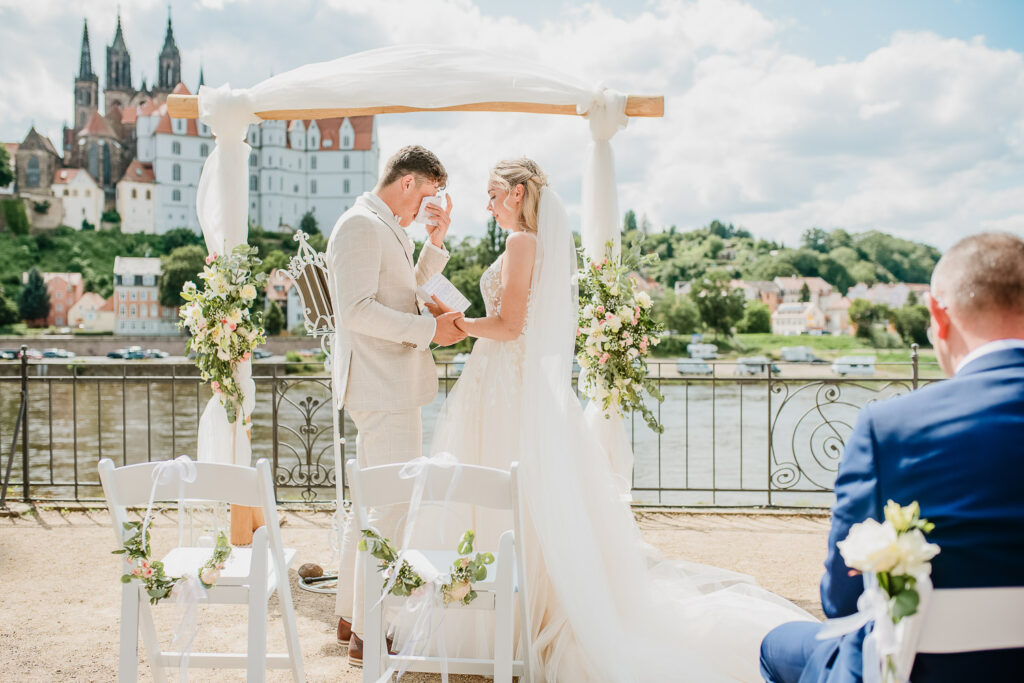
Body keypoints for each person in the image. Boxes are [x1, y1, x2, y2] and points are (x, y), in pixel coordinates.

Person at [421, 157, 814, 682]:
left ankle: (508, 619)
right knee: (523, 492)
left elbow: (510, 325)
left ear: (516, 193)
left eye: (492, 195)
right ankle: (512, 614)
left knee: (501, 485)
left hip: (504, 383)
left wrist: (459, 325)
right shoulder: (532, 244)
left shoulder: (521, 242)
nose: (487, 206)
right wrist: (461, 315)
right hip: (507, 379)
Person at [760, 231, 1024, 683]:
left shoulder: (891, 426)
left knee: (775, 646)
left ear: (938, 315)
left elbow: (840, 601)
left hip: (919, 672)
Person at [325, 145, 466, 667]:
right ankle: (369, 632)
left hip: (388, 384)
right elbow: (357, 311)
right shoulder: (360, 226)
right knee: (390, 509)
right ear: (408, 183)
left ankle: (350, 617)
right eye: (427, 197)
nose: (427, 207)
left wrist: (435, 242)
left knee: (371, 506)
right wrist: (430, 331)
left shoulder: (382, 225)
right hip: (383, 387)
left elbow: (403, 292)